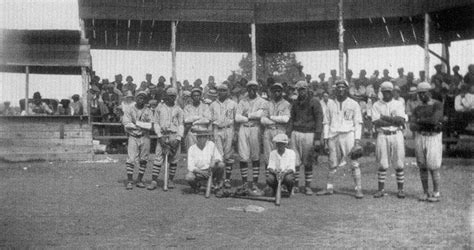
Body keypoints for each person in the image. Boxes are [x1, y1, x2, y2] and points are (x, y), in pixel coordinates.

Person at [316, 80, 364, 199]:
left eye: (343, 87)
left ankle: (358, 189)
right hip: (333, 135)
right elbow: (326, 122)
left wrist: (357, 141)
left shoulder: (353, 104)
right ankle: (329, 187)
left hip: (348, 135)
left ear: (347, 89)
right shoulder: (330, 104)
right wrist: (326, 140)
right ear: (335, 90)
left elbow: (358, 123)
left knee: (354, 162)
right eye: (338, 87)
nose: (341, 89)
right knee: (332, 163)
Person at [371, 82, 407, 198]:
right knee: (382, 163)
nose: (386, 94)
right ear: (381, 92)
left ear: (392, 92)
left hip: (396, 133)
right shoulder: (376, 105)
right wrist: (393, 120)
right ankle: (381, 189)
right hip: (382, 134)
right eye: (384, 92)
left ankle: (400, 190)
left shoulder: (398, 103)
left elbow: (401, 121)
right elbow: (376, 122)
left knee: (399, 163)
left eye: (388, 92)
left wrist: (385, 118)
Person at [410, 82, 444, 202]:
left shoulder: (437, 104)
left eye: (424, 93)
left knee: (433, 166)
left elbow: (434, 120)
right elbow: (412, 126)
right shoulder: (417, 108)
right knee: (422, 165)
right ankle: (425, 192)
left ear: (429, 92)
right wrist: (425, 122)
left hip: (433, 137)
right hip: (421, 136)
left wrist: (420, 121)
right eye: (420, 94)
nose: (422, 96)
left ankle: (436, 192)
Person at [288, 80, 323, 195]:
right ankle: (296, 185)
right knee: (295, 161)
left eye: (303, 89)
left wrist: (317, 138)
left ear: (307, 89)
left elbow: (319, 120)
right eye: (299, 89)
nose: (301, 91)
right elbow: (292, 119)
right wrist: (289, 134)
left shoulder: (314, 102)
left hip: (309, 133)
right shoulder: (295, 102)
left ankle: (308, 186)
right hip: (296, 133)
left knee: (308, 161)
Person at [148, 87, 184, 190]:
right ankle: (154, 181)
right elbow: (156, 123)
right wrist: (159, 137)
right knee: (158, 158)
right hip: (163, 135)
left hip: (174, 134)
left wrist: (178, 138)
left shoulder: (178, 109)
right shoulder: (160, 108)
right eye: (170, 96)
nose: (172, 98)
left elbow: (181, 125)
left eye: (173, 96)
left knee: (174, 159)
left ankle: (171, 180)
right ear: (166, 96)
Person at [235, 80, 267, 193]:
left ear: (257, 89)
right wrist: (251, 117)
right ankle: (244, 183)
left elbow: (260, 115)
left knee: (255, 156)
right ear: (247, 89)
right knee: (243, 156)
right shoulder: (242, 101)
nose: (252, 90)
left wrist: (248, 115)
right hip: (243, 128)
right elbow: (237, 117)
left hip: (255, 128)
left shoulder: (262, 101)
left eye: (254, 88)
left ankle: (254, 183)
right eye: (250, 88)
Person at [122, 91, 155, 190]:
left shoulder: (148, 110)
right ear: (136, 99)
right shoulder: (129, 109)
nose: (141, 100)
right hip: (133, 136)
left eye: (143, 98)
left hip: (145, 136)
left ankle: (140, 180)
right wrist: (140, 125)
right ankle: (130, 181)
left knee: (144, 159)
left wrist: (137, 124)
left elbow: (151, 126)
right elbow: (126, 124)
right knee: (131, 159)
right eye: (139, 98)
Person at [209, 84, 238, 188]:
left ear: (228, 92)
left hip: (229, 129)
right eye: (220, 90)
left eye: (224, 90)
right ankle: (219, 179)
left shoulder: (233, 104)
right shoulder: (213, 105)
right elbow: (210, 120)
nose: (222, 92)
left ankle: (227, 179)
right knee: (218, 156)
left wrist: (236, 133)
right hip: (217, 129)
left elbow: (237, 119)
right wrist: (211, 134)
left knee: (228, 156)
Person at [185, 130, 225, 196]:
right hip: (199, 172)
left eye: (204, 137)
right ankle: (196, 187)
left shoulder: (211, 144)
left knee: (221, 165)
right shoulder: (192, 149)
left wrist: (214, 161)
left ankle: (217, 187)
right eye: (200, 137)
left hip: (210, 170)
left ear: (206, 138)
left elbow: (219, 157)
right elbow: (190, 166)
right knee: (189, 177)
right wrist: (201, 172)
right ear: (197, 138)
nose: (202, 139)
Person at [261, 83, 291, 170]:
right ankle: (270, 180)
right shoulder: (267, 104)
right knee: (268, 156)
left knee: (280, 155)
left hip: (280, 130)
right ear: (271, 92)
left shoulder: (286, 104)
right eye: (274, 91)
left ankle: (280, 181)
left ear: (282, 92)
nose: (276, 93)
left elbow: (285, 119)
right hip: (268, 131)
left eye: (279, 90)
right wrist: (277, 119)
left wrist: (271, 117)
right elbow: (262, 120)